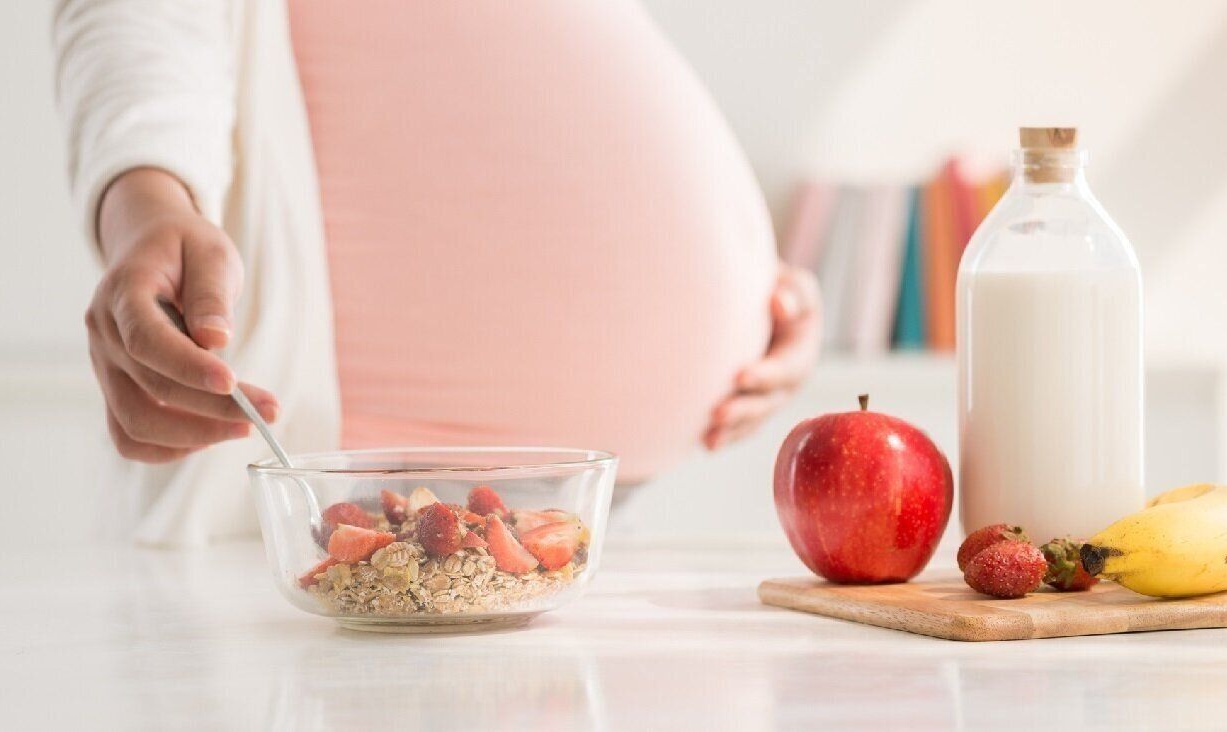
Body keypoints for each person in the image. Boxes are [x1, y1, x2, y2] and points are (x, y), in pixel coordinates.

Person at [55, 1, 820, 545]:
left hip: (602, 515)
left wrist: (757, 293)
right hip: (359, 507)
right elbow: (137, 22)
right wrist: (147, 208)